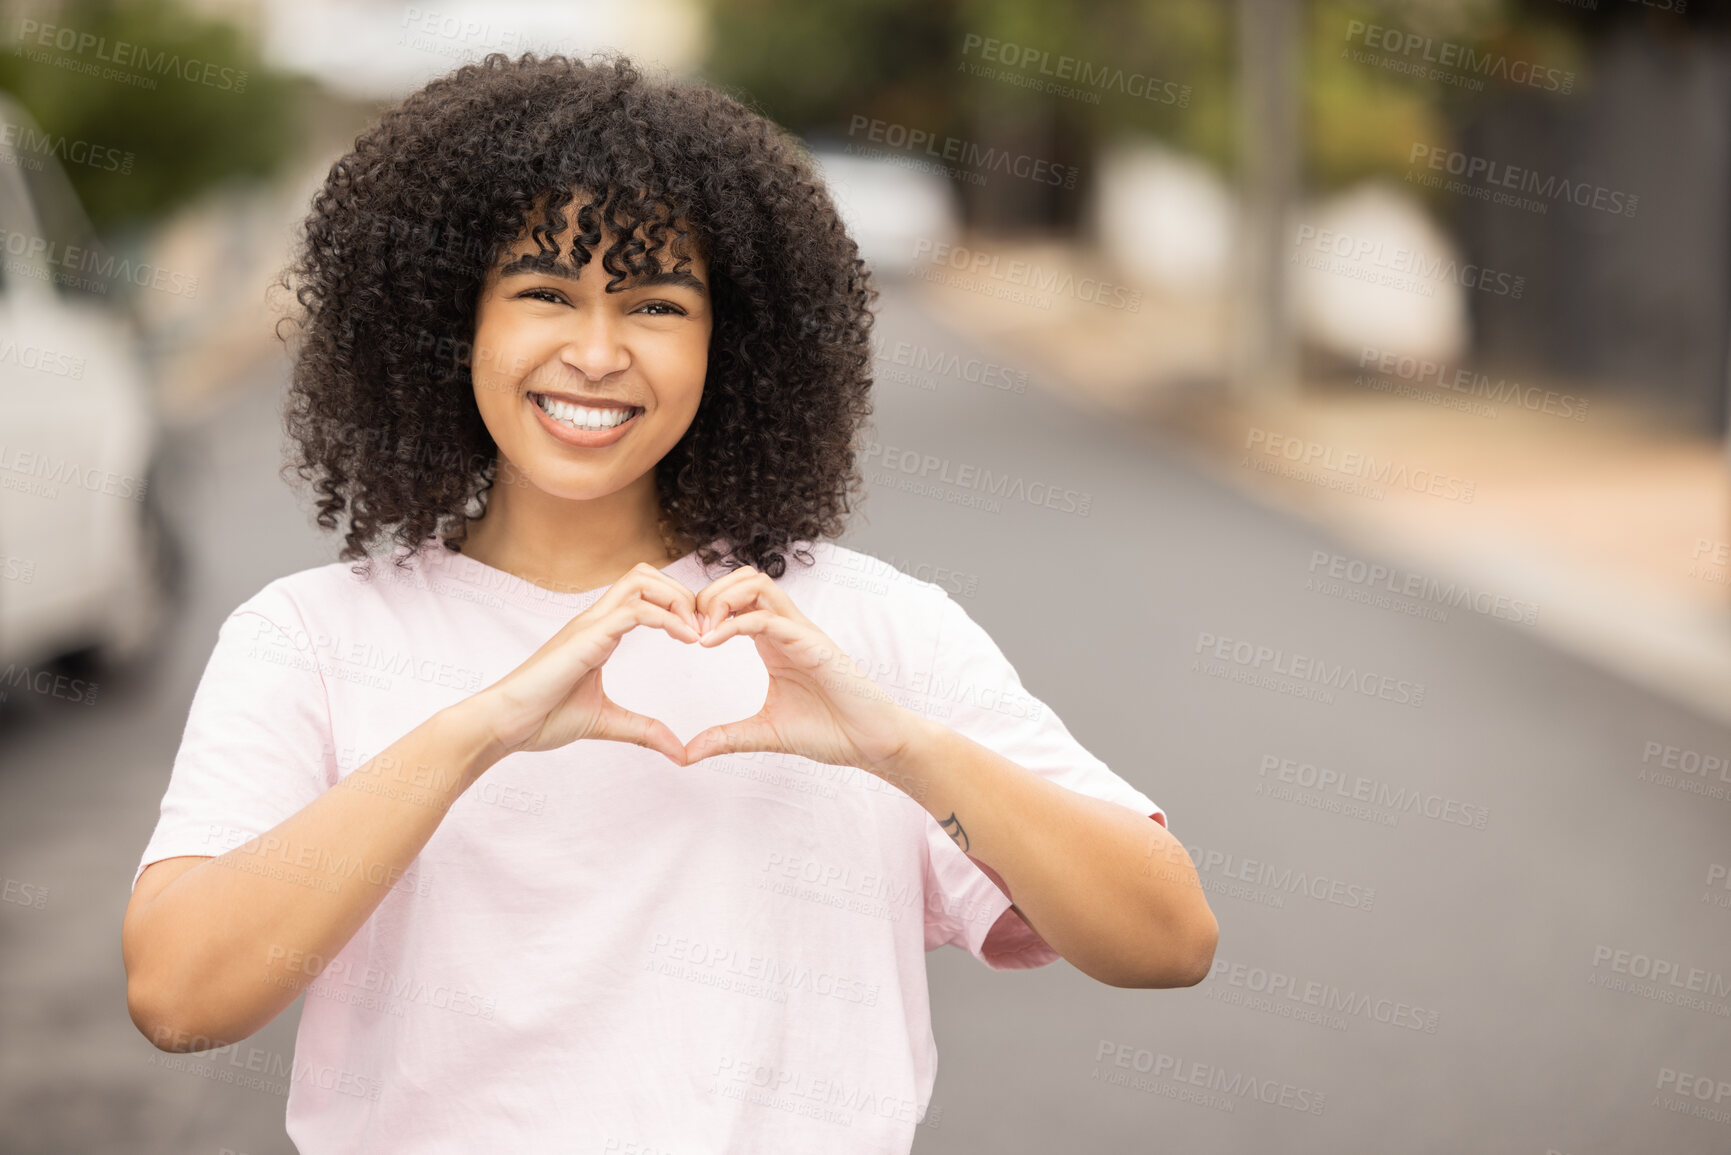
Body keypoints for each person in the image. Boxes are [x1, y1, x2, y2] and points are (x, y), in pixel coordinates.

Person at [121, 50, 1217, 1153]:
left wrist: (903, 747)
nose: (595, 353)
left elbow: (1167, 938)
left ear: (727, 348)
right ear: (450, 322)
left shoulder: (868, 632)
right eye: (545, 294)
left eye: (654, 305)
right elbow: (180, 995)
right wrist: (477, 730)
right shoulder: (311, 638)